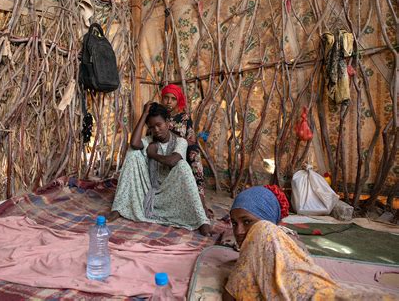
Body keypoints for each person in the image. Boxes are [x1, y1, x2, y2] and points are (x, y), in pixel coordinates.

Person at [223, 186, 391, 301]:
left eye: (247, 222)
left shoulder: (264, 230)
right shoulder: (271, 246)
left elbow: (231, 292)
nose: (238, 232)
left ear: (268, 220)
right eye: (234, 223)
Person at [107, 102, 211, 236]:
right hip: (148, 190)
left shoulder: (180, 142)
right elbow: (134, 143)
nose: (156, 130)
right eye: (151, 127)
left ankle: (202, 221)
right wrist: (144, 114)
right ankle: (118, 207)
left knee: (183, 166)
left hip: (170, 194)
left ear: (168, 123)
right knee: (133, 153)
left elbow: (173, 161)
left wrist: (153, 155)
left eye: (159, 125)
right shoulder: (148, 141)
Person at [160, 84, 213, 219]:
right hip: (163, 149)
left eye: (173, 99)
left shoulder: (184, 117)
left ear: (178, 101)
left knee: (194, 152)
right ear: (162, 98)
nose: (169, 102)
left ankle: (201, 200)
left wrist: (176, 138)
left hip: (181, 149)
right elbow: (152, 134)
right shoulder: (158, 114)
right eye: (166, 98)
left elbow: (191, 140)